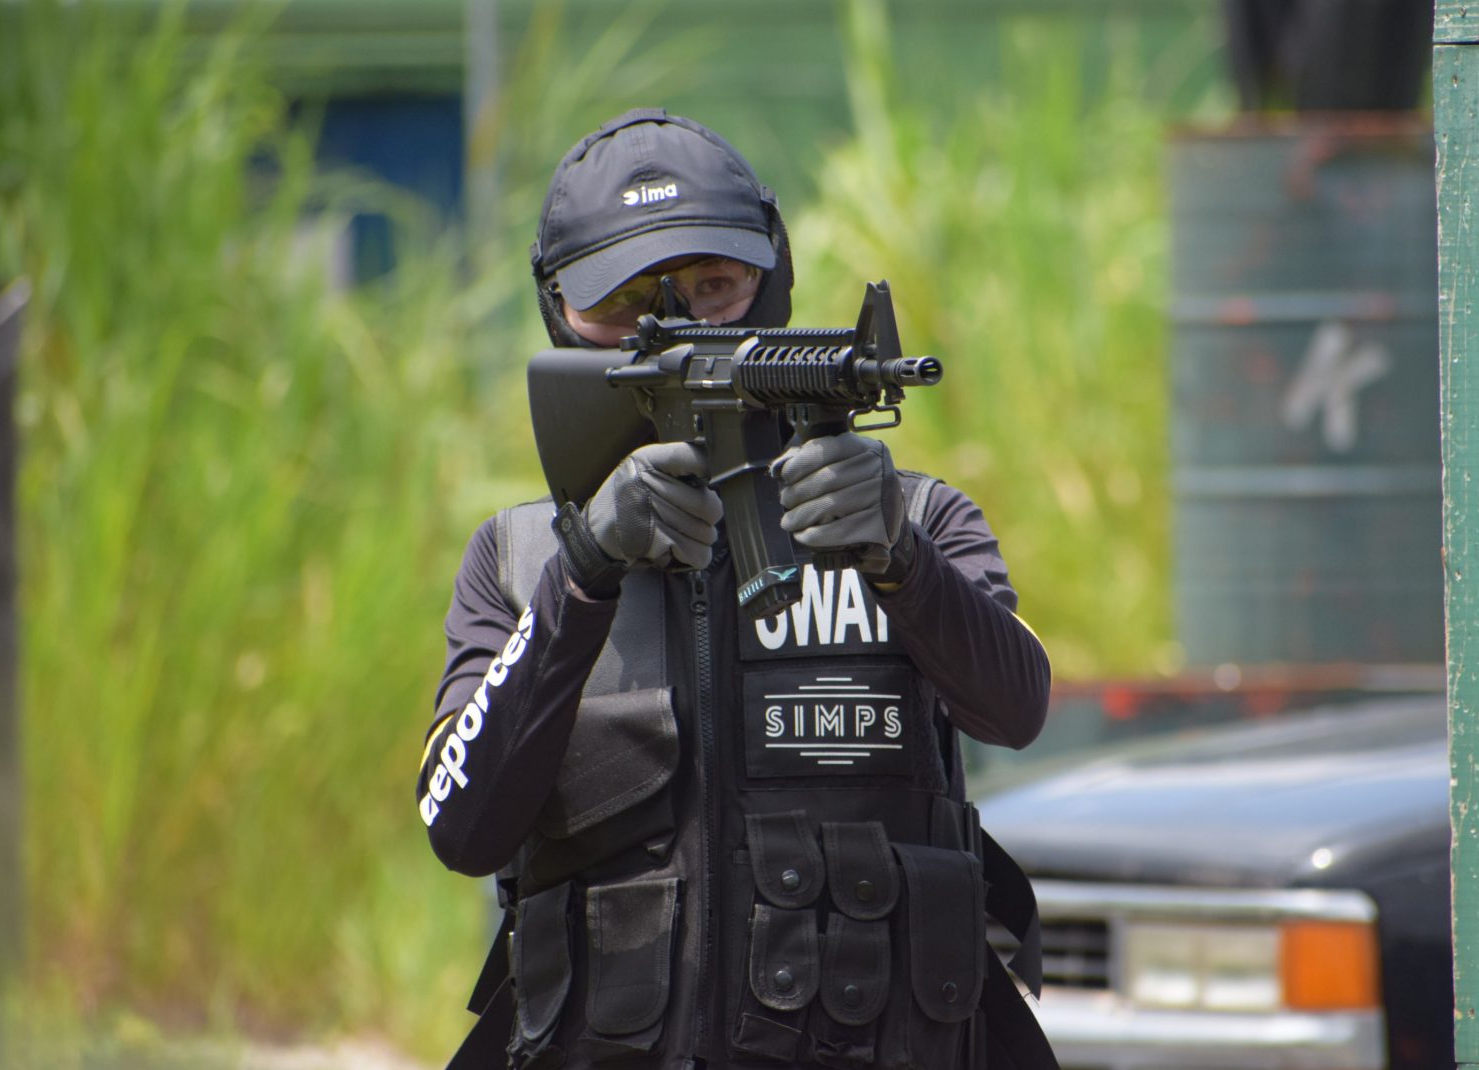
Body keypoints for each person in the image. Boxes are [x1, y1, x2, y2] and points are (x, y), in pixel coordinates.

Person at [418, 109, 1054, 1070]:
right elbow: (461, 825)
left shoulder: (914, 518)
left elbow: (1018, 707)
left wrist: (899, 558)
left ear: (773, 277)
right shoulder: (518, 561)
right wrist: (586, 569)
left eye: (715, 285)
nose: (677, 321)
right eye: (624, 301)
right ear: (559, 315)